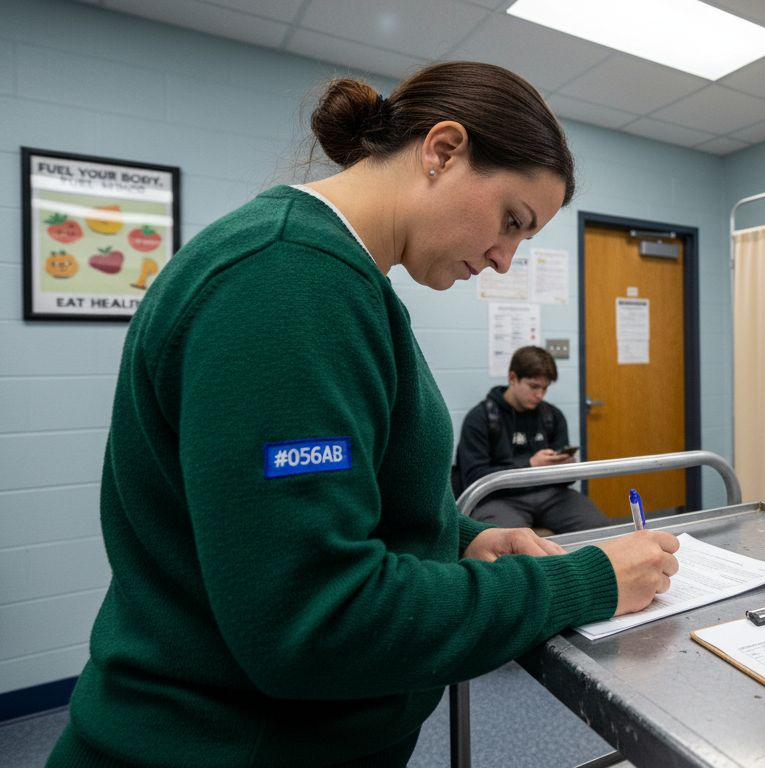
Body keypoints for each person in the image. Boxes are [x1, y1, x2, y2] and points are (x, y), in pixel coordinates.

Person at [48, 61, 680, 767]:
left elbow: (336, 511)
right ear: (443, 150)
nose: (505, 260)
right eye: (511, 221)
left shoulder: (344, 282)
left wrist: (460, 539)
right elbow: (316, 621)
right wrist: (582, 583)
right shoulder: (285, 283)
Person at [453, 346, 610, 532]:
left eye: (545, 388)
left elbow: (565, 481)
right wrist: (531, 466)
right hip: (499, 499)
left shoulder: (552, 416)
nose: (540, 395)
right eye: (534, 386)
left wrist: (566, 469)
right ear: (513, 378)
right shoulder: (480, 419)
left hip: (550, 495)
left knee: (599, 529)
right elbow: (474, 479)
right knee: (510, 543)